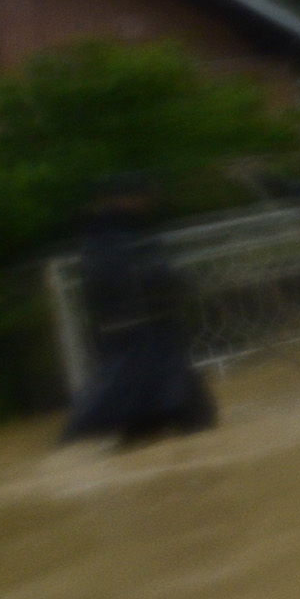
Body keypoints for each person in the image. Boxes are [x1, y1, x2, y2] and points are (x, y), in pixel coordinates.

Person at [59, 174, 217, 443]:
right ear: (127, 199)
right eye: (142, 196)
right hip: (140, 330)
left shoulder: (116, 231)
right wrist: (170, 287)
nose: (149, 201)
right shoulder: (111, 234)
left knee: (166, 407)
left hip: (147, 328)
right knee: (163, 405)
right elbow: (135, 276)